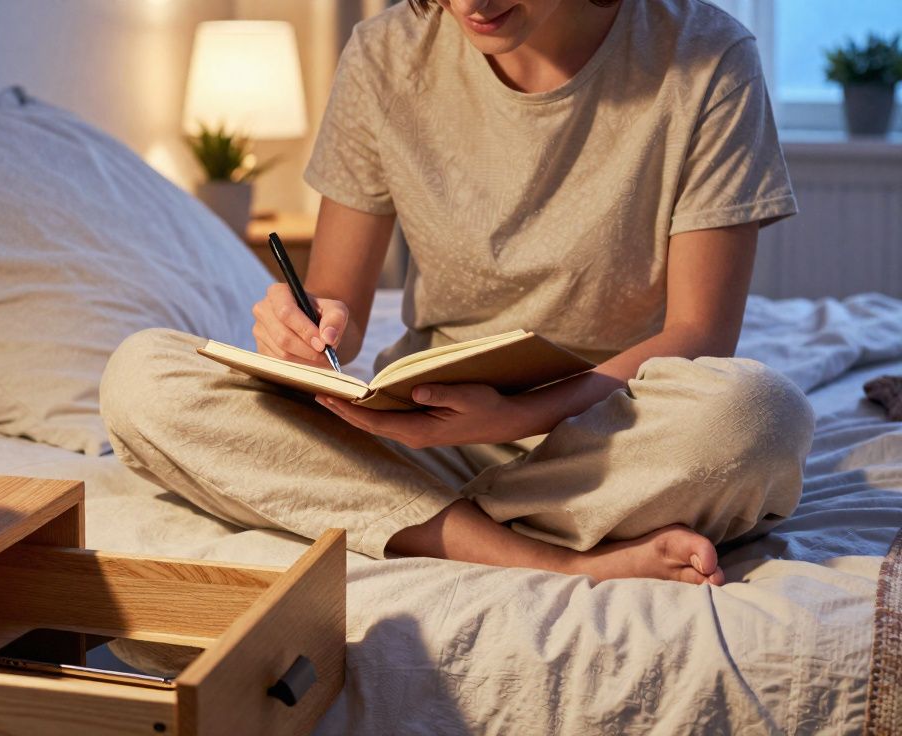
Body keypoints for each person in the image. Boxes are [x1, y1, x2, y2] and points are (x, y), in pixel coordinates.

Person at [101, 0, 815, 584]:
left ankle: (400, 510)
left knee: (759, 417)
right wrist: (309, 327)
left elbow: (699, 335)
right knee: (142, 376)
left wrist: (516, 417)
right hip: (424, 426)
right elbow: (335, 307)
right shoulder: (386, 54)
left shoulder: (707, 55)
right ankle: (554, 556)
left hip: (609, 426)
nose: (471, 4)